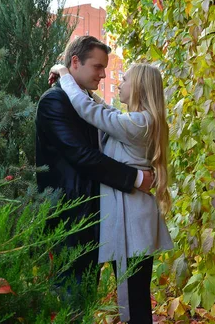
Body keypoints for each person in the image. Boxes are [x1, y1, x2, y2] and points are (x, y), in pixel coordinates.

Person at [49, 61, 173, 323]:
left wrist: (64, 76)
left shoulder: (139, 123)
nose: (119, 83)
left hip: (132, 224)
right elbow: (105, 111)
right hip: (135, 220)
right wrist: (85, 89)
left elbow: (92, 113)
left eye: (125, 79)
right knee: (135, 297)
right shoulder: (139, 121)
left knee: (133, 302)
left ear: (138, 86)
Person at [35, 36, 154, 290]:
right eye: (98, 67)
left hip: (94, 218)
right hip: (69, 220)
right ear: (75, 62)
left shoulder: (84, 101)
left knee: (86, 296)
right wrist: (135, 177)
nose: (103, 75)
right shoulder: (54, 102)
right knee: (71, 297)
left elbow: (102, 115)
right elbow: (82, 156)